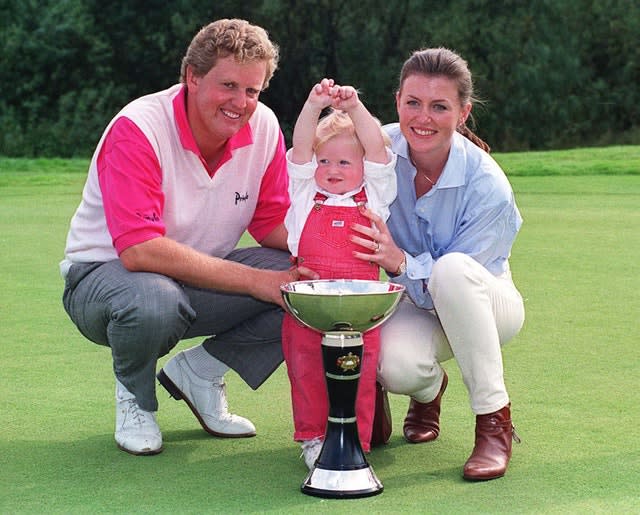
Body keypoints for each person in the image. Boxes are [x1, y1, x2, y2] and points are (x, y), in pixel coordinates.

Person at [60, 18, 315, 456]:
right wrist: (256, 282)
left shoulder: (265, 127)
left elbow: (274, 223)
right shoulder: (137, 128)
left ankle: (199, 372)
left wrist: (337, 253)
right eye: (228, 85)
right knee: (154, 301)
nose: (240, 103)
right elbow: (140, 250)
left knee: (306, 284)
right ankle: (135, 397)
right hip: (105, 281)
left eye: (252, 91)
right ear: (192, 78)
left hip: (196, 280)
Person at [351, 47, 525, 481]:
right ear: (397, 102)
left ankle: (494, 422)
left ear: (463, 112)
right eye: (413, 102)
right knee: (395, 368)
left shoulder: (488, 185)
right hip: (411, 295)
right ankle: (429, 389)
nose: (422, 117)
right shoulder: (377, 150)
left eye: (439, 106)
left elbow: (453, 282)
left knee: (450, 270)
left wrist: (397, 260)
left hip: (486, 300)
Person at [282, 79, 397, 468]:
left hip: (363, 305)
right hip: (308, 302)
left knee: (359, 375)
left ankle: (355, 440)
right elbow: (300, 147)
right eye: (325, 161)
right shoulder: (303, 192)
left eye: (345, 162)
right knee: (307, 370)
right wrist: (314, 106)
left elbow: (378, 147)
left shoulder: (375, 194)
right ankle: (314, 438)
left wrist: (354, 109)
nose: (332, 169)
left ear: (364, 167)